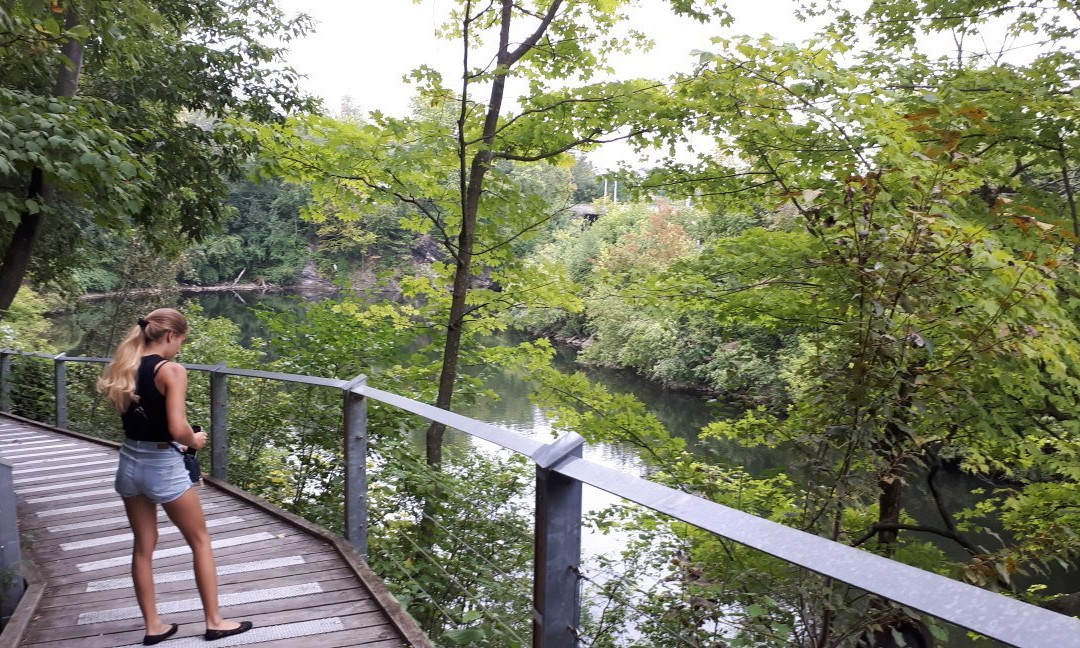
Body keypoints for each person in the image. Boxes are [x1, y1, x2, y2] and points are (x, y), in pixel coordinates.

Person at [97, 308, 253, 645]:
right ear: (170, 335)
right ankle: (214, 621)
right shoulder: (171, 370)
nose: (180, 347)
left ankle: (153, 626)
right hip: (162, 466)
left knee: (143, 546)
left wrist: (178, 438)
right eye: (181, 340)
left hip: (129, 463)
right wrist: (193, 440)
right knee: (200, 541)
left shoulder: (126, 365)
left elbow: (142, 421)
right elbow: (177, 427)